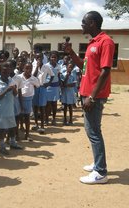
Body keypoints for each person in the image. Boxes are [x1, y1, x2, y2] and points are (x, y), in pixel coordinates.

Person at [63, 11, 115, 184]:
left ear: (92, 23)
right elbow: (84, 67)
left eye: (84, 22)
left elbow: (106, 70)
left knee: (93, 132)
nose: (82, 25)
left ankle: (100, 172)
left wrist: (92, 97)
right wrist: (71, 53)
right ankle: (97, 163)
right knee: (92, 130)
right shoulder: (92, 42)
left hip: (94, 96)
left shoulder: (105, 41)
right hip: (87, 93)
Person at [0, 62, 22, 155]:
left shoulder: (11, 80)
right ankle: (1, 146)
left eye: (8, 70)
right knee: (2, 129)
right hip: (1, 110)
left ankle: (13, 143)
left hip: (9, 108)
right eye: (4, 70)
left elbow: (15, 94)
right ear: (0, 72)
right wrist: (7, 89)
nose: (6, 72)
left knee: (12, 126)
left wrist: (14, 90)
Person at [32, 52, 54, 134]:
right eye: (37, 58)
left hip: (42, 88)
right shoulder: (33, 66)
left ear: (42, 58)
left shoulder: (46, 67)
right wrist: (36, 67)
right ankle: (36, 123)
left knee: (42, 107)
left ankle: (42, 125)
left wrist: (48, 83)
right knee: (35, 106)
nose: (39, 59)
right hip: (34, 88)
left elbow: (52, 75)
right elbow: (33, 76)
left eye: (40, 57)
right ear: (35, 58)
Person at [19, 62, 40, 141]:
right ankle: (19, 131)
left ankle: (27, 134)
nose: (29, 70)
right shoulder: (19, 77)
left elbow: (37, 85)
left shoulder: (33, 79)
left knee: (27, 117)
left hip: (28, 99)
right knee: (19, 116)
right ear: (23, 69)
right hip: (19, 99)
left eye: (30, 68)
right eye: (27, 68)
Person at [45, 51, 61, 126]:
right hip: (48, 87)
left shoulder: (58, 66)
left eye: (55, 57)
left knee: (54, 104)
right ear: (49, 58)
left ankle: (54, 119)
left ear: (57, 58)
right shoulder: (46, 66)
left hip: (56, 87)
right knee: (48, 104)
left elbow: (59, 76)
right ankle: (46, 119)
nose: (53, 58)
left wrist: (60, 84)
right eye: (52, 57)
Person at [60, 61, 77, 125]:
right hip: (65, 92)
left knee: (70, 106)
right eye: (69, 67)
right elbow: (63, 83)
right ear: (66, 67)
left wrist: (67, 85)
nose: (70, 68)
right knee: (65, 106)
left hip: (70, 92)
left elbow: (73, 84)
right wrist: (67, 76)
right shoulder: (63, 74)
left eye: (71, 67)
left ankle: (70, 119)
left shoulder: (73, 75)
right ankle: (64, 119)